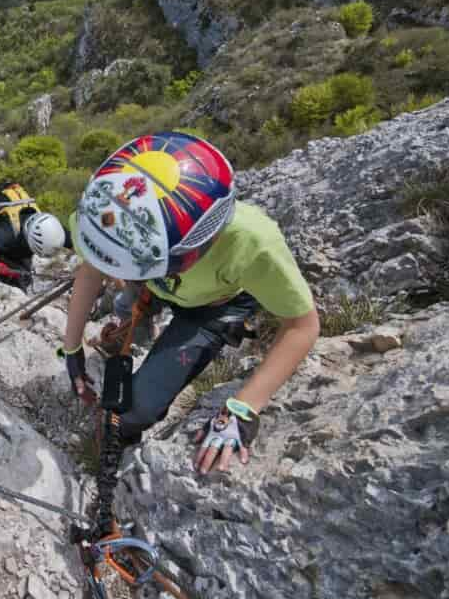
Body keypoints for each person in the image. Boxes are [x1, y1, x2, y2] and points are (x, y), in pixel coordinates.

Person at [58, 132, 319, 532]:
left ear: (193, 250)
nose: (114, 274)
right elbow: (92, 269)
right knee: (127, 303)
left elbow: (302, 325)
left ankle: (138, 329)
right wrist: (72, 347)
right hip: (159, 282)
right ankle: (135, 317)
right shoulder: (103, 213)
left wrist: (243, 407)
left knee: (133, 411)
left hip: (215, 304)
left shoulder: (251, 244)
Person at [0, 182, 69, 290]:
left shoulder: (53, 228)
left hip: (19, 246)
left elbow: (81, 246)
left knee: (23, 277)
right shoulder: (5, 230)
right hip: (0, 242)